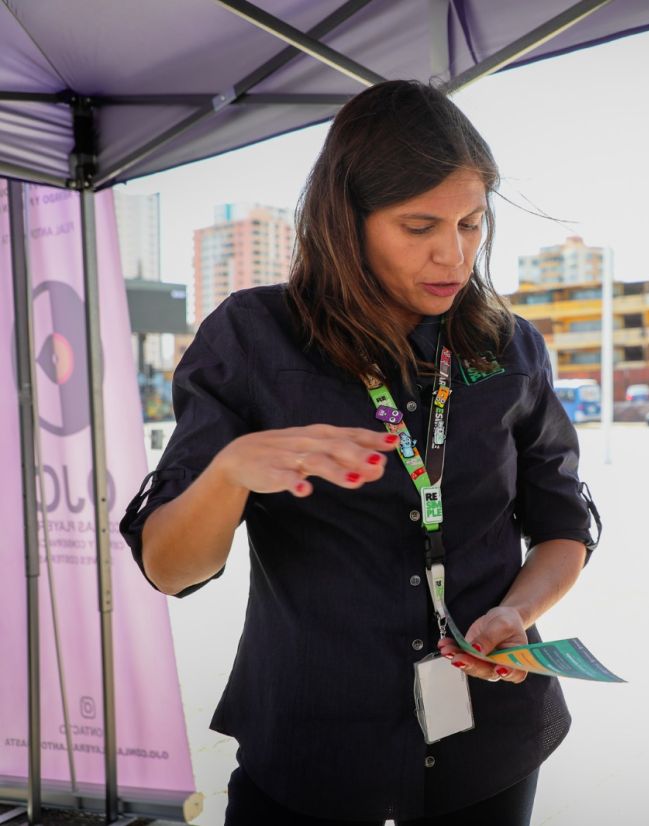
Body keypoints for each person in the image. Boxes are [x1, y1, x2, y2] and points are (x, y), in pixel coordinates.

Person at [120, 80, 597, 825]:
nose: (453, 254)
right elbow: (169, 567)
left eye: (471, 223)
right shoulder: (253, 338)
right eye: (419, 226)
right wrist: (230, 471)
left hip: (487, 749)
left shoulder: (509, 347)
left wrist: (517, 609)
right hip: (310, 752)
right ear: (347, 221)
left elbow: (564, 525)